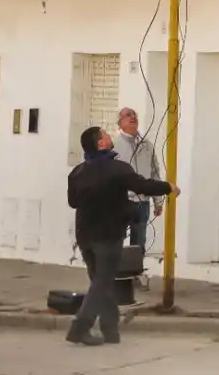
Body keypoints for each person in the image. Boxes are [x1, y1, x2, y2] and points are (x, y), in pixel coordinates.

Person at [65, 125, 178, 346]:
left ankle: (110, 331)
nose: (110, 136)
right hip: (108, 236)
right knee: (102, 283)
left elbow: (73, 202)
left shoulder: (77, 172)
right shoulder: (117, 169)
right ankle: (80, 328)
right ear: (101, 143)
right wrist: (168, 187)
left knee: (101, 283)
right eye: (106, 135)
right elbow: (142, 185)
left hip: (85, 236)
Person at [111, 106, 160, 249]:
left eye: (134, 114)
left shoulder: (147, 146)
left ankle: (135, 269)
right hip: (121, 202)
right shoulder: (114, 146)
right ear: (120, 123)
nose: (133, 117)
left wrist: (158, 201)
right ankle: (114, 270)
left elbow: (154, 173)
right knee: (115, 240)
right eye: (127, 115)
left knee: (139, 244)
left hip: (142, 203)